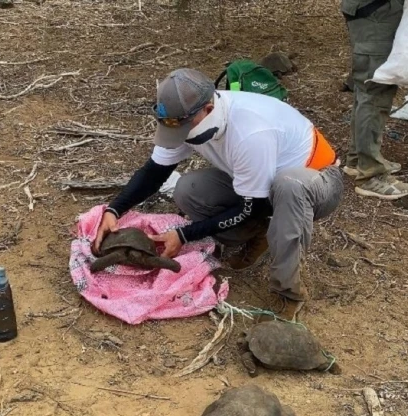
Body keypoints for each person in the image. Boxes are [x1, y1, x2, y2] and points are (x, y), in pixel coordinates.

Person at [92, 68, 343, 321]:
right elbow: (154, 173)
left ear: (208, 110)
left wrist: (184, 235)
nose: (179, 135)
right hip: (262, 185)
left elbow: (250, 207)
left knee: (289, 186)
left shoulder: (250, 131)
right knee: (188, 190)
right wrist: (114, 210)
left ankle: (290, 292)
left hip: (317, 181)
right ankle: (262, 233)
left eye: (183, 128)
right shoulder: (185, 116)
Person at [341, 0, 408, 200]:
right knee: (375, 91)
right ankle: (371, 174)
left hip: (371, 12)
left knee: (366, 88)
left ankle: (357, 160)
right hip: (376, 13)